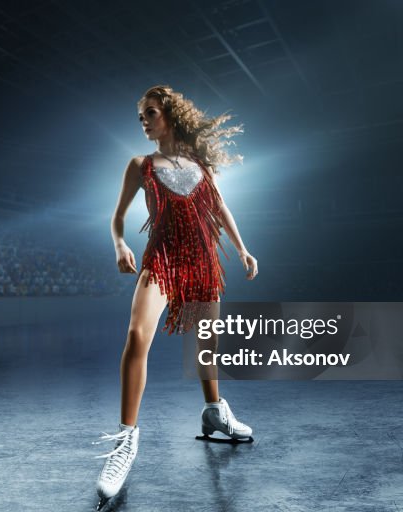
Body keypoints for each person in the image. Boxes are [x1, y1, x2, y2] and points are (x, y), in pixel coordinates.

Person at [94, 85, 260, 500]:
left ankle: (214, 413)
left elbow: (220, 208)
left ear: (169, 114)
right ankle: (125, 440)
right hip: (162, 259)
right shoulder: (140, 165)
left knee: (207, 343)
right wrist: (119, 244)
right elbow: (116, 217)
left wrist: (242, 249)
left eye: (149, 113)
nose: (144, 121)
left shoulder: (201, 165)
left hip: (203, 258)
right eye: (140, 117)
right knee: (136, 336)